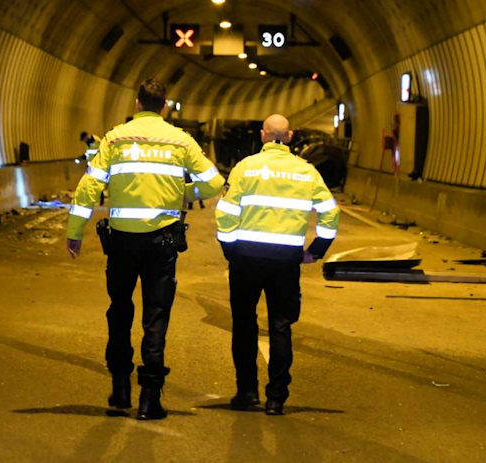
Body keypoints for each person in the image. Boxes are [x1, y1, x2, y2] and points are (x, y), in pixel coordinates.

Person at [67, 78, 225, 420]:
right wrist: (187, 194)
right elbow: (214, 181)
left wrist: (74, 232)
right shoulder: (180, 140)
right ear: (164, 105)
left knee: (120, 309)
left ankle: (120, 388)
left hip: (122, 240)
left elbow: (89, 186)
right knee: (156, 315)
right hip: (162, 243)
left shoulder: (115, 138)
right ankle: (149, 400)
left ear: (137, 104)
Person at [214, 114, 340, 415]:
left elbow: (226, 213)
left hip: (246, 258)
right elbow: (330, 215)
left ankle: (246, 393)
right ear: (291, 136)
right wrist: (316, 250)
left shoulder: (246, 167)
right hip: (285, 261)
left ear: (263, 136)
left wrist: (230, 248)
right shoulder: (306, 172)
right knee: (280, 327)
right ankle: (276, 398)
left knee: (244, 325)